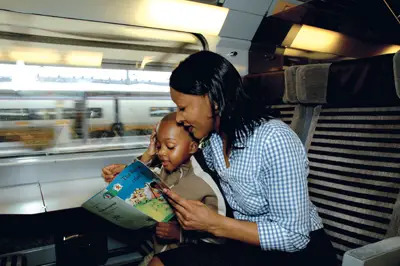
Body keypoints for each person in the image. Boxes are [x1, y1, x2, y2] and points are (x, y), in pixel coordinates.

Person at [154, 51, 337, 266]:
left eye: (183, 108)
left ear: (213, 100)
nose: (179, 117)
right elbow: (183, 169)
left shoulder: (274, 139)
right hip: (244, 244)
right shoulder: (213, 140)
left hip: (298, 256)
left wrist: (215, 224)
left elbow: (294, 236)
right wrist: (141, 164)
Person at [102, 112, 227, 266]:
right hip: (156, 250)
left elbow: (221, 235)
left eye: (170, 146)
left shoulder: (204, 184)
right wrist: (148, 154)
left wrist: (180, 234)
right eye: (159, 146)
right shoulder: (162, 170)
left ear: (193, 147)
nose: (161, 152)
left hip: (184, 252)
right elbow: (141, 178)